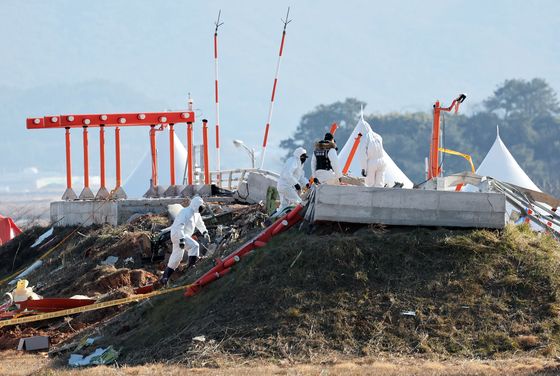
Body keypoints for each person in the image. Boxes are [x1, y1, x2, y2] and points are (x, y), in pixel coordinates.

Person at [159, 196, 210, 285]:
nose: (201, 208)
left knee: (177, 257)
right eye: (200, 206)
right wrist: (182, 239)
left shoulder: (196, 214)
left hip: (183, 235)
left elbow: (200, 224)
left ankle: (165, 278)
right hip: (178, 234)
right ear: (195, 205)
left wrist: (205, 232)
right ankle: (191, 266)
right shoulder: (185, 212)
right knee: (194, 246)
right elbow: (180, 226)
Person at [276, 147, 309, 212]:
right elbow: (287, 173)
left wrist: (307, 183)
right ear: (299, 156)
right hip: (286, 186)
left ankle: (275, 219)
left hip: (285, 187)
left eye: (305, 157)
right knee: (299, 203)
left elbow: (301, 177)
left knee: (284, 207)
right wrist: (296, 184)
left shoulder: (299, 165)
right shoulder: (293, 161)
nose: (304, 159)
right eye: (303, 157)